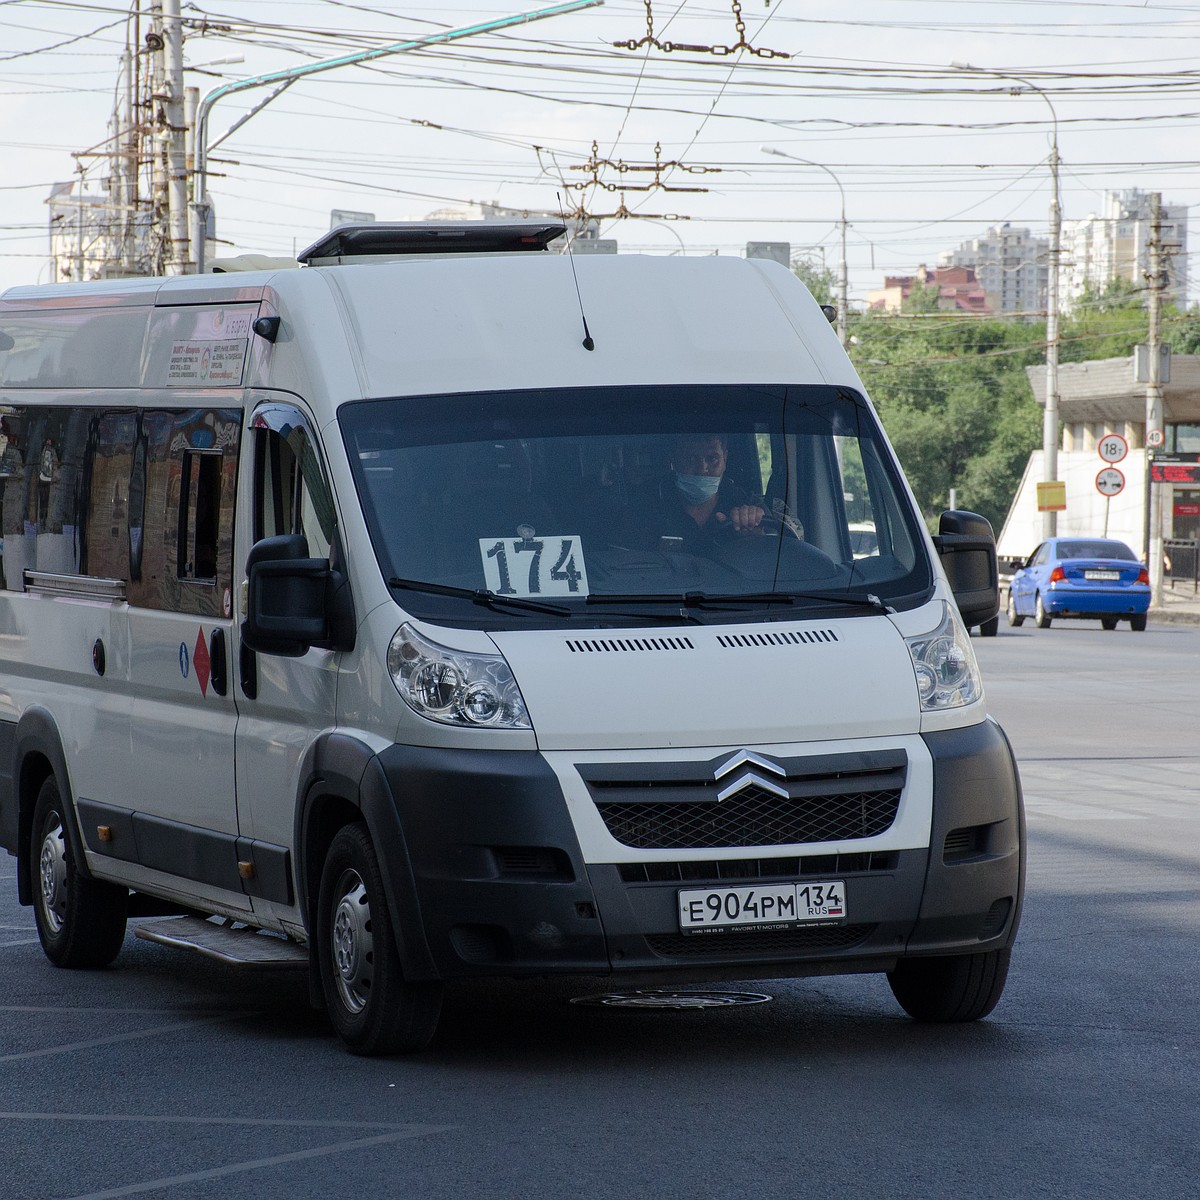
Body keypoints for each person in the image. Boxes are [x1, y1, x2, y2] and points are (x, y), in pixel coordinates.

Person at [620, 433, 766, 555]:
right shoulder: (643, 504)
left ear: (725, 459)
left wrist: (755, 534)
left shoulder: (745, 503)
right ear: (673, 459)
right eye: (690, 458)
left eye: (712, 459)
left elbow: (776, 553)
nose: (702, 469)